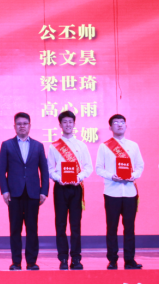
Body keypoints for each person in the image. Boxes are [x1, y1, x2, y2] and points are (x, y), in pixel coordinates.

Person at [0, 112, 49, 271]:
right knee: (15, 229)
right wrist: (4, 190)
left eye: (25, 123)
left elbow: (44, 171)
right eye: (19, 124)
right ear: (14, 126)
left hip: (33, 193)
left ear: (30, 126)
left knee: (32, 228)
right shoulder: (7, 145)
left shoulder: (38, 146)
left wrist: (44, 191)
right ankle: (16, 262)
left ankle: (31, 262)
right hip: (14, 194)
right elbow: (1, 171)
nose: (22, 126)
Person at [95, 114, 144, 270]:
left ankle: (129, 260)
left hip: (130, 192)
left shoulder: (133, 146)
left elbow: (140, 166)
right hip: (112, 192)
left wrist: (133, 176)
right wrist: (112, 176)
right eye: (116, 123)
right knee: (112, 227)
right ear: (110, 127)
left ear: (126, 126)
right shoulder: (104, 146)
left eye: (122, 122)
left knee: (129, 227)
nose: (120, 125)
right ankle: (112, 260)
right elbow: (98, 168)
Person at [47, 111, 92, 270]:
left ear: (74, 124)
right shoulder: (54, 146)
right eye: (64, 122)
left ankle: (76, 258)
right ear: (60, 124)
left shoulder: (81, 145)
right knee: (60, 224)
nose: (67, 124)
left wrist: (78, 177)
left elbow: (88, 167)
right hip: (60, 188)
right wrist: (59, 178)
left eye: (70, 122)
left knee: (75, 225)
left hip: (76, 188)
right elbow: (50, 169)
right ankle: (63, 258)